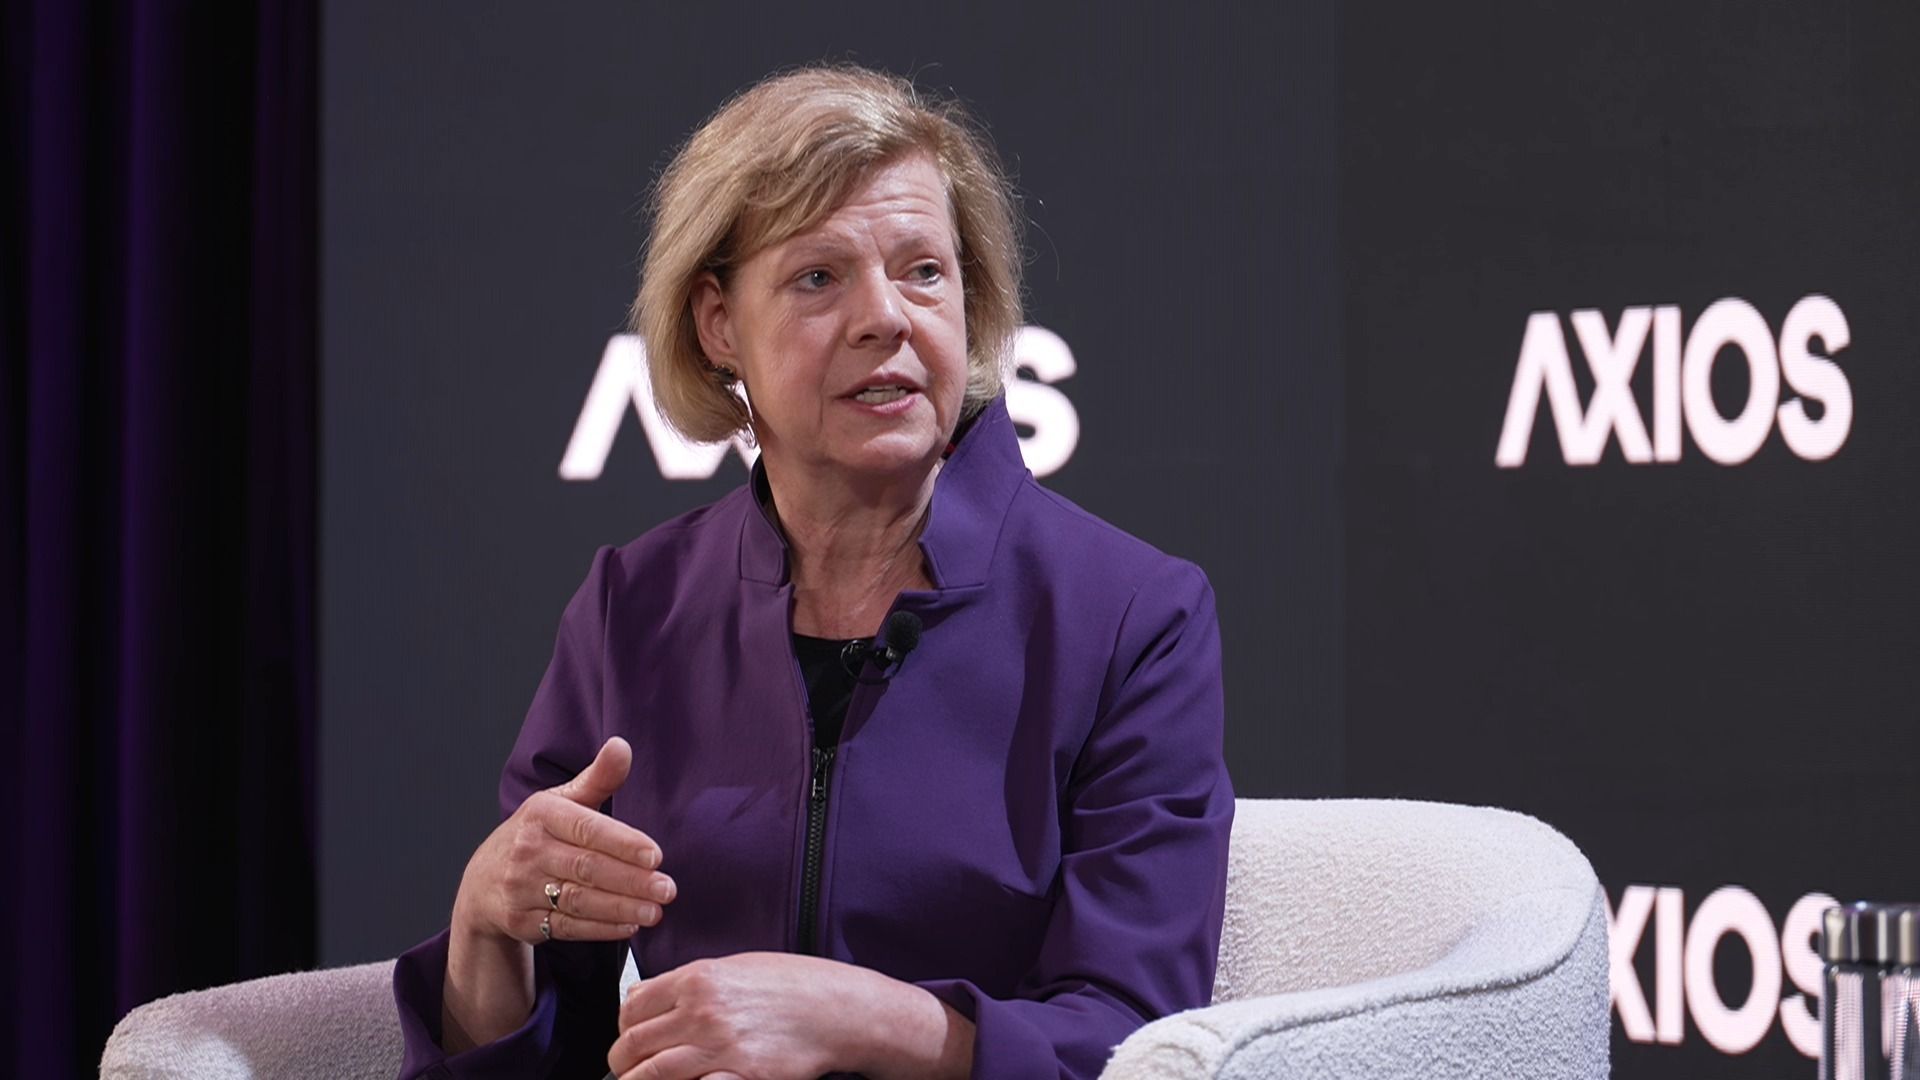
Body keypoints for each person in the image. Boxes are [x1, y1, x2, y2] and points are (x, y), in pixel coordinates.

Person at [391, 64, 1234, 1080]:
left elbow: (1141, 1039)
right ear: (718, 325)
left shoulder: (1130, 616)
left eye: (924, 271)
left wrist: (864, 1019)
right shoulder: (632, 609)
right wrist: (487, 927)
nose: (886, 317)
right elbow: (550, 1047)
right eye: (819, 278)